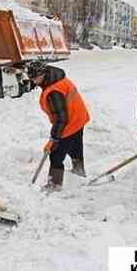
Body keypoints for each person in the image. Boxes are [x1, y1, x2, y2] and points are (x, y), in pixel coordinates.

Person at [27, 61, 90, 191]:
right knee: (75, 147)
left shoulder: (53, 91)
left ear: (43, 74)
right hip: (78, 118)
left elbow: (61, 119)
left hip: (70, 122)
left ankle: (54, 185)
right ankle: (79, 171)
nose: (33, 81)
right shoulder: (54, 78)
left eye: (34, 78)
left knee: (55, 154)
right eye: (31, 78)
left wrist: (54, 138)